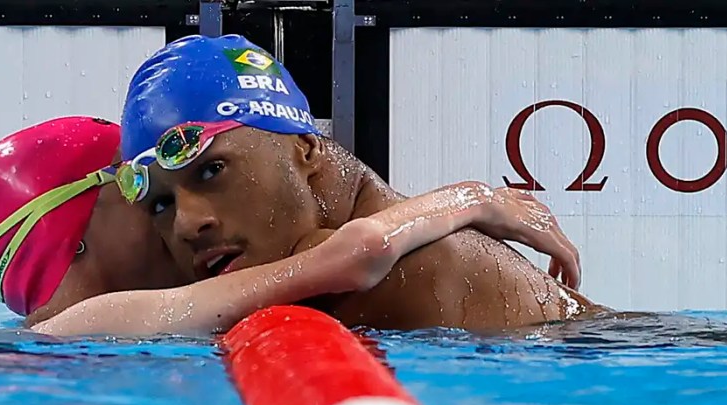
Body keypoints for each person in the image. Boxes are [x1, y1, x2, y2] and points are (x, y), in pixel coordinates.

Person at [118, 35, 606, 332]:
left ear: (306, 148)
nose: (186, 225)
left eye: (211, 170)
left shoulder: (407, 269)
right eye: (160, 204)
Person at [0, 116, 583, 337]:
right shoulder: (93, 326)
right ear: (80, 234)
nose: (184, 221)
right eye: (145, 192)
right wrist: (475, 199)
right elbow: (352, 255)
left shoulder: (57, 345)